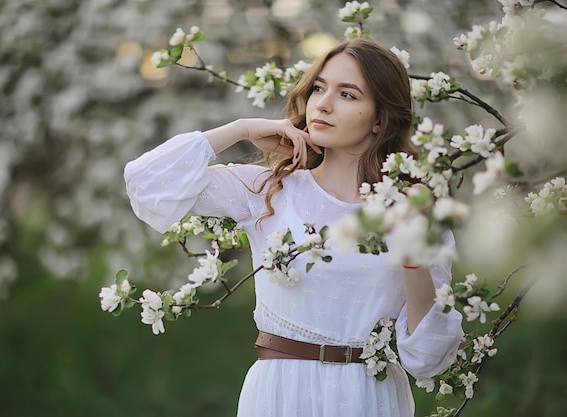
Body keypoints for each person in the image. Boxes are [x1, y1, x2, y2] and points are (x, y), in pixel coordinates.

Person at [124, 38, 464, 417]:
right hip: (279, 394)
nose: (323, 103)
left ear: (380, 119)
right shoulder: (268, 190)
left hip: (370, 398)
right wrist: (241, 129)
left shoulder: (411, 210)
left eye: (347, 95)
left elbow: (429, 358)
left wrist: (413, 251)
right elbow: (146, 185)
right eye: (319, 88)